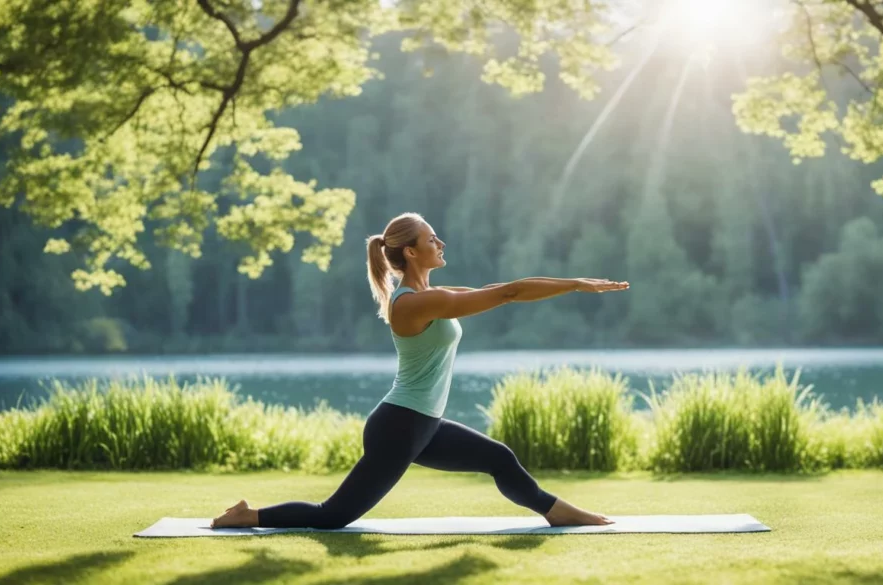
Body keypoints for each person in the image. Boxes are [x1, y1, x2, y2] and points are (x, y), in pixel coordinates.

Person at [211, 212, 630, 529]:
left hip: (421, 423)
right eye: (432, 239)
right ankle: (249, 515)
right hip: (401, 425)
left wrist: (568, 284)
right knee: (333, 516)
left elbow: (498, 292)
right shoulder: (412, 303)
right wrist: (575, 283)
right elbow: (509, 293)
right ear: (411, 251)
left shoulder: (433, 295)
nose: (441, 242)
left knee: (498, 458)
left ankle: (559, 514)